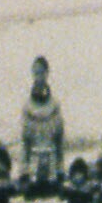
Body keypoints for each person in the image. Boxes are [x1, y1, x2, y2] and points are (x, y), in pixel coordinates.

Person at [16, 54, 65, 194]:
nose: (39, 77)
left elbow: (59, 141)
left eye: (42, 73)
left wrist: (60, 170)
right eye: (36, 73)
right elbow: (25, 143)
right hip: (34, 164)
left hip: (51, 164)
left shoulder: (54, 105)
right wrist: (23, 172)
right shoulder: (28, 107)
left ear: (47, 74)